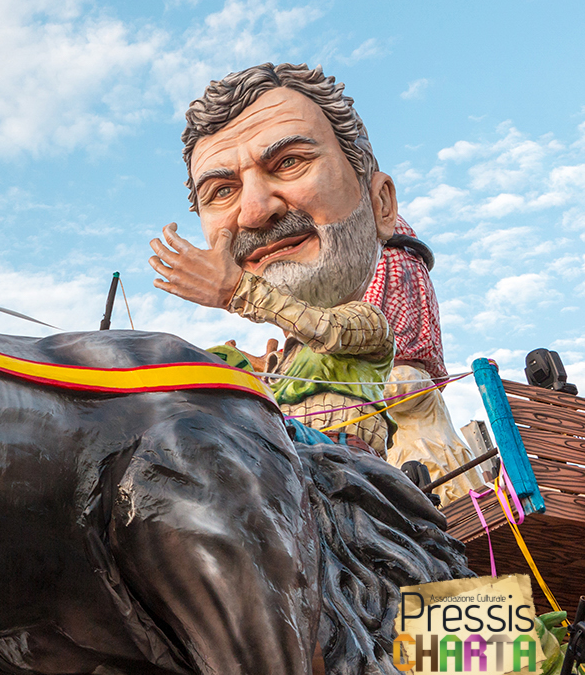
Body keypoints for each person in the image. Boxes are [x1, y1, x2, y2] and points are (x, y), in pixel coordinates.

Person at [148, 62, 398, 455]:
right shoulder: (284, 360)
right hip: (286, 460)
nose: (253, 212)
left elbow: (325, 329)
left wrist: (237, 291)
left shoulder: (367, 324)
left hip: (343, 456)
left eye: (289, 162)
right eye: (222, 190)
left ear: (380, 204)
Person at [364, 215, 483, 501]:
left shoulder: (404, 377)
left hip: (431, 473)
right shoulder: (409, 267)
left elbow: (385, 393)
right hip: (422, 464)